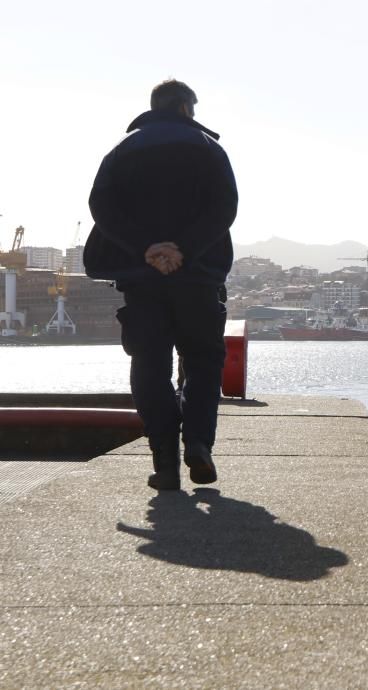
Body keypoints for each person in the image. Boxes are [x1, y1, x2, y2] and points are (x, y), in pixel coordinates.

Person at [85, 79, 238, 491]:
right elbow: (225, 207)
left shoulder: (122, 150)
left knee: (150, 368)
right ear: (187, 108)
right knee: (204, 363)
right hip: (199, 278)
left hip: (141, 280)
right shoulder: (208, 149)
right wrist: (184, 250)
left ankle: (165, 464)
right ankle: (200, 445)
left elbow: (100, 206)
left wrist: (148, 249)